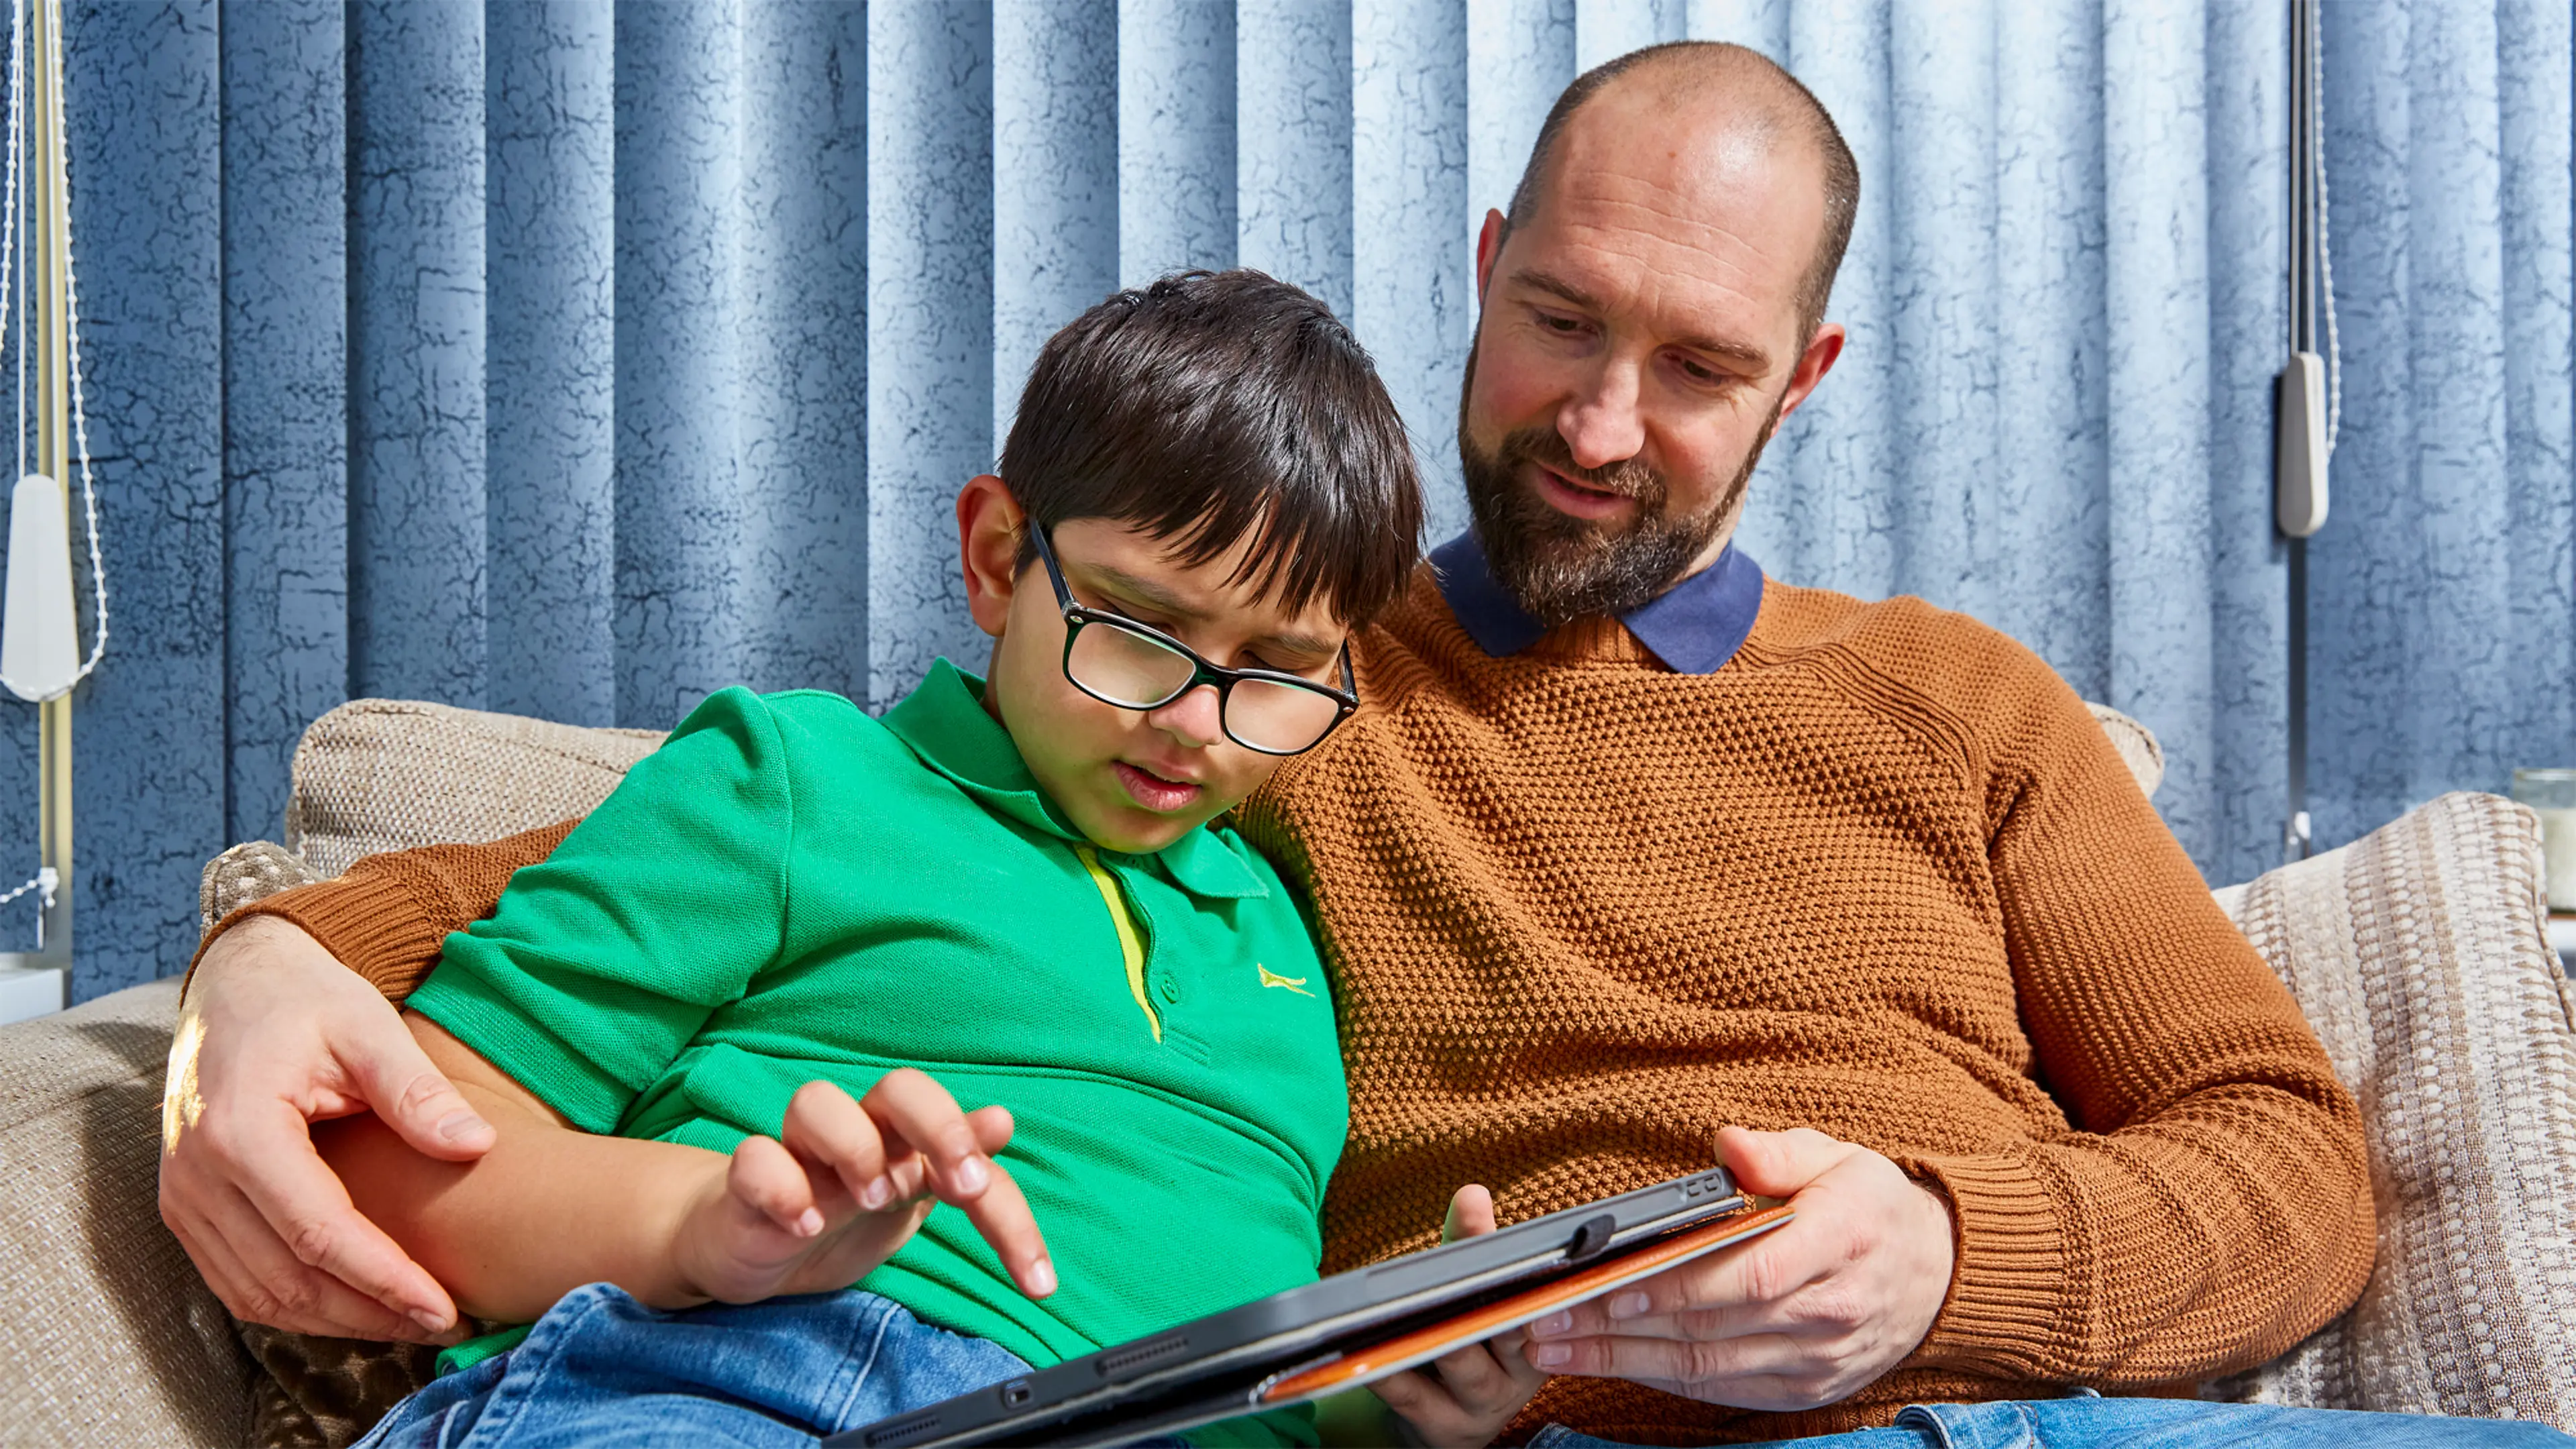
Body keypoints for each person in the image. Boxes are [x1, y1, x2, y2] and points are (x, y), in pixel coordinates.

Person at [162, 42, 2569, 1449]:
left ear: (1806, 382)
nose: (1607, 426)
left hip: (2022, 1413)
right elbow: (777, 844)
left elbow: (2295, 1171)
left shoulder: (1965, 707)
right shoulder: (1281, 687)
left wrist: (1953, 1258)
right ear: (1486, 257)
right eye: (1559, 321)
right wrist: (270, 970)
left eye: (1703, 368)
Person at [271, 270, 1542, 1449]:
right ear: (1000, 560)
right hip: (757, 1377)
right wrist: (704, 1226)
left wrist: (1411, 1404)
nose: (1196, 723)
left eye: (1273, 672)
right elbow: (392, 1170)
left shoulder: (1284, 941)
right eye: (1142, 630)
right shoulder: (795, 780)